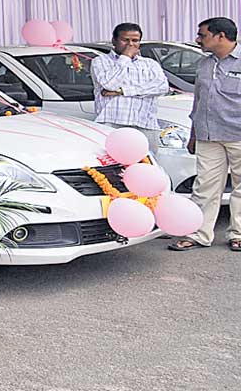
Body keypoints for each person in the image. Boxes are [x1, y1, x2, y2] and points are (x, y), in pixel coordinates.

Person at [170, 17, 241, 252]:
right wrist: (193, 133)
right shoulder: (204, 64)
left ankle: (238, 234)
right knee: (204, 186)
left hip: (238, 135)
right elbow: (198, 101)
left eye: (203, 35)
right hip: (207, 135)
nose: (198, 39)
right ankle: (198, 234)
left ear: (221, 36)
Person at [90, 23, 169, 155]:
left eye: (135, 40)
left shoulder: (150, 64)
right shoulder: (100, 61)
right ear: (114, 41)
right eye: (125, 40)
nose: (130, 44)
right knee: (112, 163)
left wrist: (122, 91)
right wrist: (125, 57)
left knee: (147, 163)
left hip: (145, 124)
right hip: (111, 122)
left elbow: (162, 87)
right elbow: (109, 84)